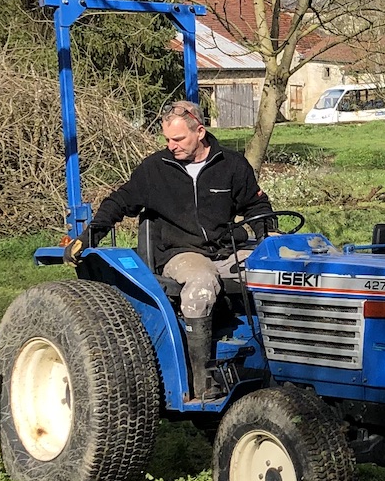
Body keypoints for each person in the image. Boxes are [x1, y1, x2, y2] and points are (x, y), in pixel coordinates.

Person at [72, 99, 273, 398]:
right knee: (202, 284)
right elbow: (119, 202)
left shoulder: (232, 165)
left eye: (178, 139)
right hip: (181, 253)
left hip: (226, 248)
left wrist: (268, 237)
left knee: (277, 271)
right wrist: (90, 236)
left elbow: (257, 206)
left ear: (200, 132)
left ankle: (277, 361)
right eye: (167, 139)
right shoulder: (155, 169)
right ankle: (203, 381)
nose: (171, 146)